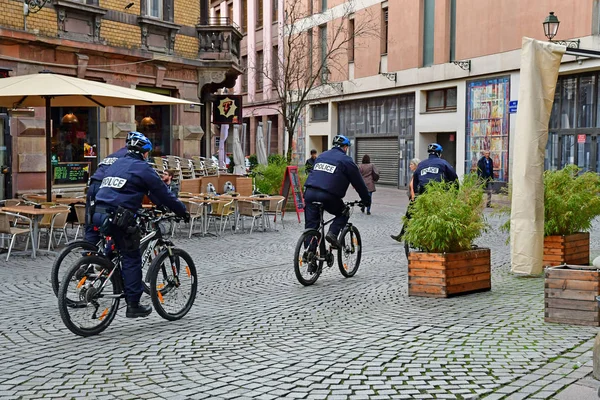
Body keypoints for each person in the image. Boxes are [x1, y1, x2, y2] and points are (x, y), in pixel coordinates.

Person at [92, 133, 188, 318]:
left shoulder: (117, 163)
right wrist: (181, 211)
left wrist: (156, 203)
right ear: (144, 153)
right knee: (131, 257)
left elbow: (142, 190)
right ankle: (133, 305)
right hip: (118, 216)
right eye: (148, 153)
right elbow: (163, 193)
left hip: (98, 212)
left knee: (118, 243)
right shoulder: (143, 168)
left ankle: (105, 263)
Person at [303, 135, 371, 249]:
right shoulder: (346, 161)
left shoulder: (321, 156)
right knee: (343, 212)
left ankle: (310, 257)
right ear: (345, 148)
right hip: (328, 196)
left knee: (311, 226)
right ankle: (333, 234)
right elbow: (359, 184)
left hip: (309, 193)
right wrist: (366, 200)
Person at [84, 133, 134, 244]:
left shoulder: (114, 154)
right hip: (107, 186)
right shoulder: (131, 156)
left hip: (93, 185)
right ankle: (110, 252)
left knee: (91, 220)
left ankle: (88, 253)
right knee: (113, 221)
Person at [391, 157, 420, 242]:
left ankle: (405, 236)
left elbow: (415, 188)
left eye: (411, 164)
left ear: (416, 165)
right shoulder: (414, 174)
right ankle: (402, 236)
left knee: (409, 218)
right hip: (413, 200)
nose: (409, 166)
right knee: (408, 218)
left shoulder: (417, 175)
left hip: (415, 200)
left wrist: (414, 199)